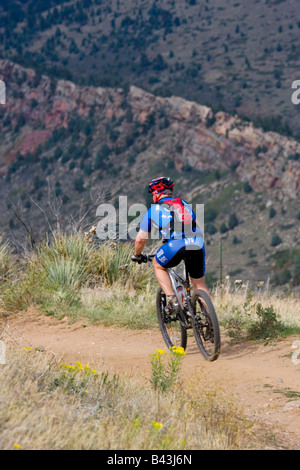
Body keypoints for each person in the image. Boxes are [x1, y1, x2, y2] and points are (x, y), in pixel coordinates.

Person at [131, 176, 209, 314]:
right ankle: (211, 325)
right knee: (200, 285)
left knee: (158, 264)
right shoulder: (185, 204)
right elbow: (198, 227)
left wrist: (137, 255)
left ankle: (173, 301)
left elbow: (140, 240)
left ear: (157, 193)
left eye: (153, 193)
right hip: (197, 243)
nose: (153, 196)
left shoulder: (153, 210)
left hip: (175, 245)